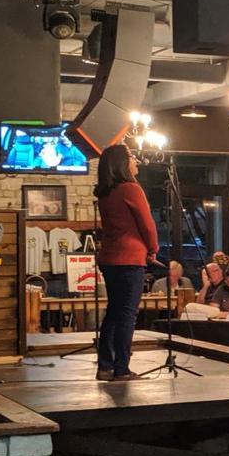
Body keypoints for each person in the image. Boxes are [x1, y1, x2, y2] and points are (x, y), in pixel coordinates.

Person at [93, 143, 158, 381]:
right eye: (131, 157)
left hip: (110, 257)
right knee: (128, 314)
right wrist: (153, 249)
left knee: (113, 312)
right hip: (130, 257)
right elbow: (147, 224)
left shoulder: (106, 193)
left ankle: (105, 366)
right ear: (121, 163)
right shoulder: (131, 189)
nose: (136, 161)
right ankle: (122, 368)